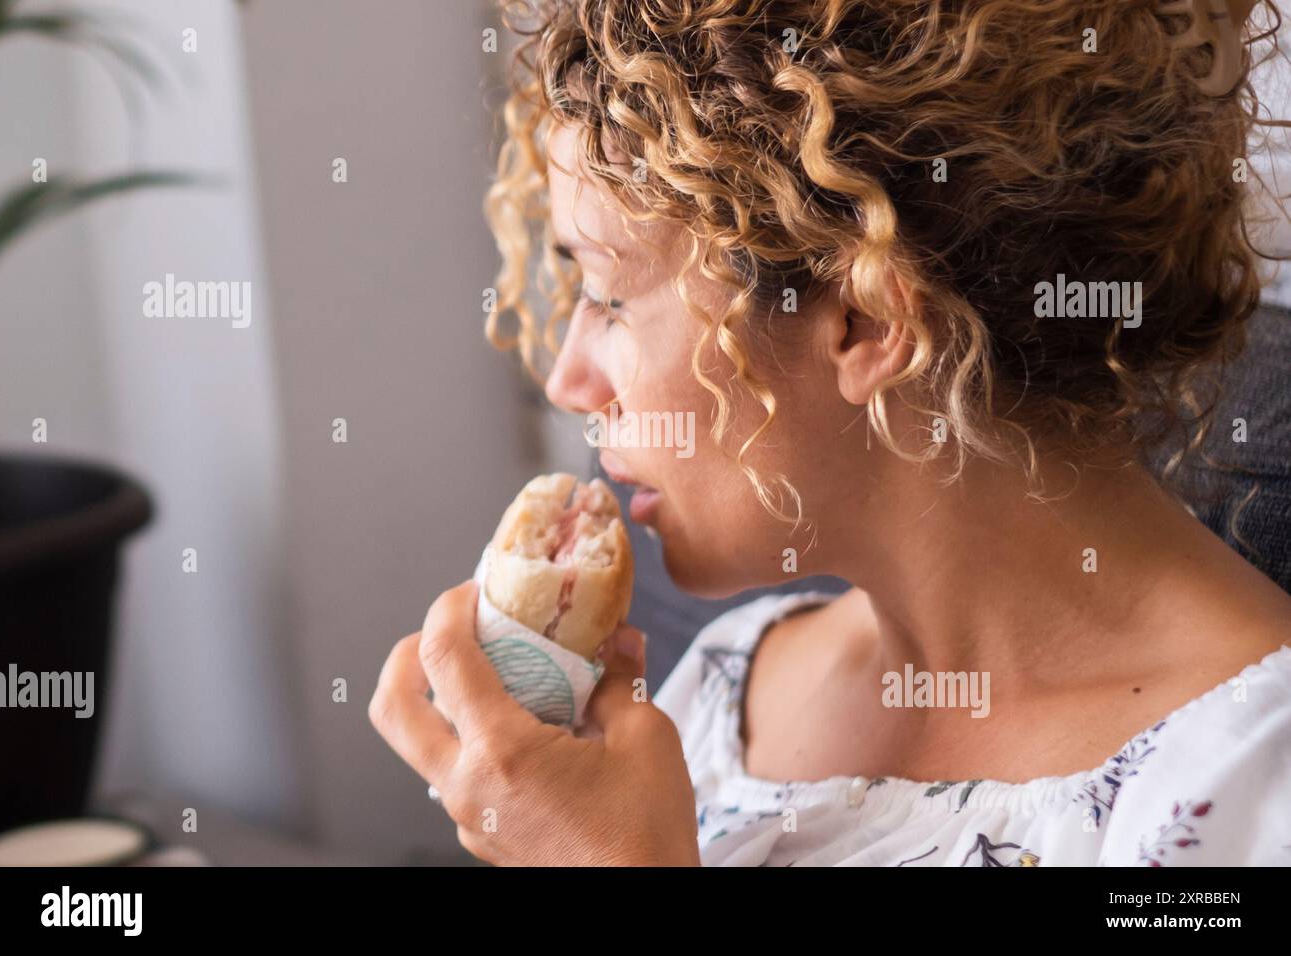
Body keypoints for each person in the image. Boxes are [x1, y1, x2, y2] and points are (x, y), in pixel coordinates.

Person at [371, 0, 1291, 865]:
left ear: (867, 321)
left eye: (610, 297)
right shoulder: (732, 685)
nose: (568, 380)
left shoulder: (1245, 785)